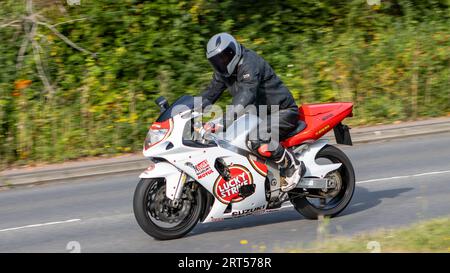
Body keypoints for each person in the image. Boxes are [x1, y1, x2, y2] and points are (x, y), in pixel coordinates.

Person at [200, 32, 305, 192]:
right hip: (258, 115)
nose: (221, 63)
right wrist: (186, 112)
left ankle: (293, 166)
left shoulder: (249, 63)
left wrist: (223, 121)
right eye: (216, 61)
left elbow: (246, 94)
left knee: (257, 138)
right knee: (221, 139)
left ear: (233, 51)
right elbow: (210, 94)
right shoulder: (223, 73)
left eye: (224, 57)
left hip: (282, 111)